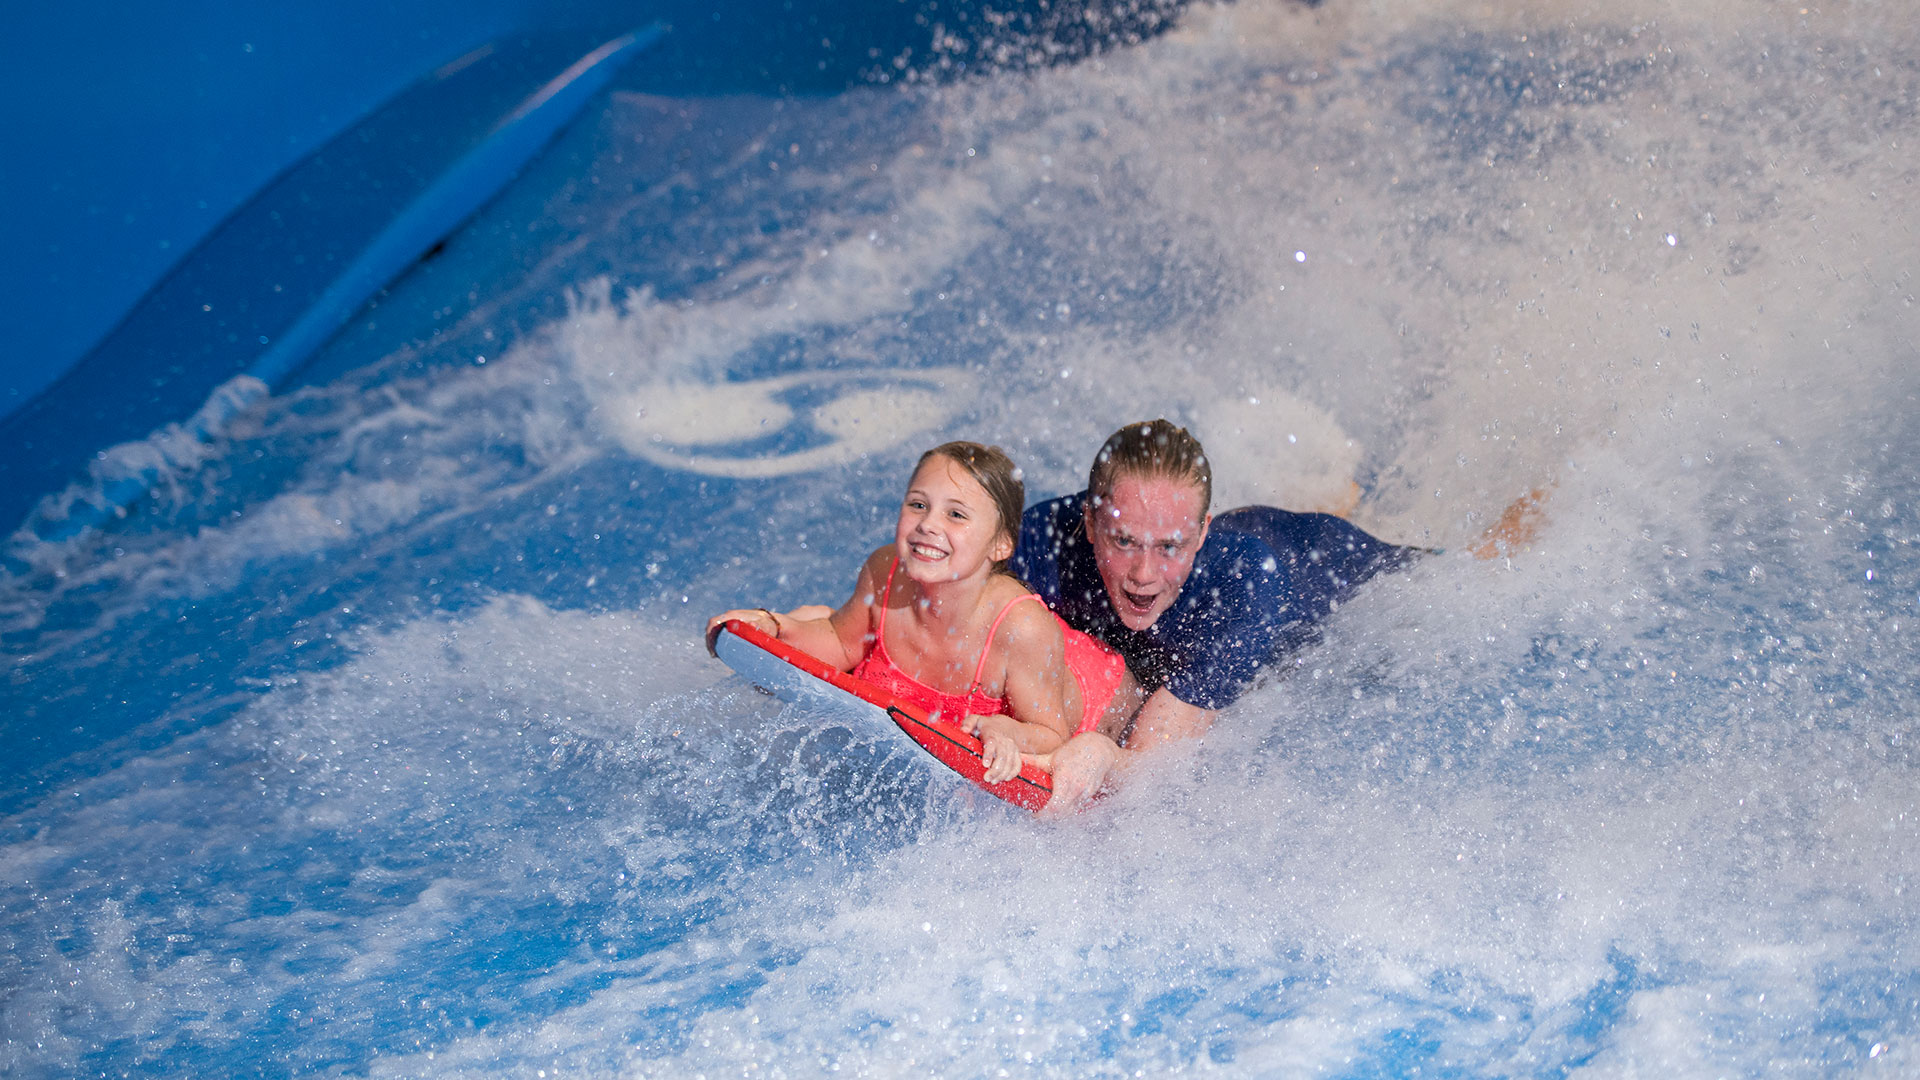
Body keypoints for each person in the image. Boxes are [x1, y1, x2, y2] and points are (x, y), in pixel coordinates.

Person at [1012, 419, 1545, 809]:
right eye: (1124, 541)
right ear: (1089, 520)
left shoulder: (1243, 585)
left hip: (1326, 572)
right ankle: (1333, 497)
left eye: (1170, 546)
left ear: (1199, 534)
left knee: (1475, 567)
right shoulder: (1048, 538)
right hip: (1248, 541)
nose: (1144, 574)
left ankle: (1537, 507)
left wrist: (1102, 755)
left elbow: (1153, 760)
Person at [707, 441, 1134, 784]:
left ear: (1002, 546)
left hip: (1089, 691)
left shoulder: (1021, 629)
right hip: (987, 673)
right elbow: (840, 643)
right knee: (849, 635)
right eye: (917, 505)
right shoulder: (886, 570)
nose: (929, 524)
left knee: (1095, 762)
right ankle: (806, 616)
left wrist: (1008, 732)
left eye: (956, 514)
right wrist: (774, 627)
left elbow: (1051, 733)